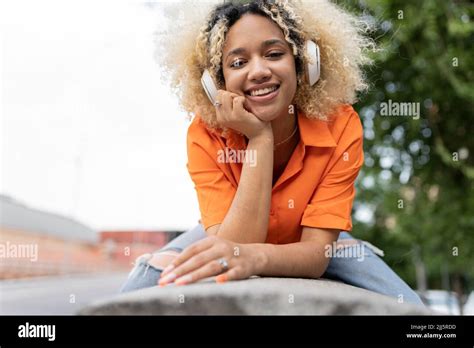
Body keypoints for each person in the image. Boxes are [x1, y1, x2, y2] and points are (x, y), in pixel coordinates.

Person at [120, 0, 424, 306]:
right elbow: (232, 248)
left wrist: (255, 257)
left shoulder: (340, 125)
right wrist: (260, 139)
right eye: (238, 63)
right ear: (215, 84)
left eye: (274, 54)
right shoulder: (205, 135)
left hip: (310, 244)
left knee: (413, 307)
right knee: (139, 287)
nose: (259, 71)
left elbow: (315, 256)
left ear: (305, 62)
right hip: (223, 233)